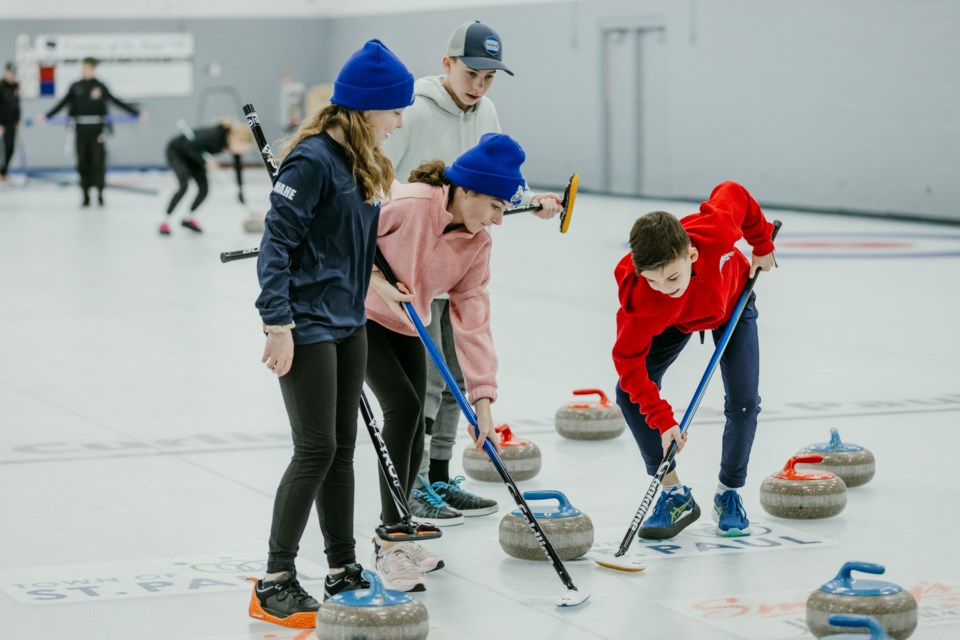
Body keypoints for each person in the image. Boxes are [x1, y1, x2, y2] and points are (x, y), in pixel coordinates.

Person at [250, 39, 413, 628]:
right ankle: (274, 579)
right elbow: (276, 248)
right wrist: (277, 324)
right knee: (315, 448)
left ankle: (342, 568)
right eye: (395, 112)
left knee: (342, 448)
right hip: (306, 323)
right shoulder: (312, 160)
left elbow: (352, 240)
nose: (399, 123)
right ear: (369, 108)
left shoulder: (362, 162)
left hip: (349, 320)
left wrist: (378, 276)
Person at [381, 20, 563, 521]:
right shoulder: (411, 111)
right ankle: (412, 481)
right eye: (472, 72)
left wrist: (532, 200)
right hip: (408, 265)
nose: (479, 85)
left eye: (489, 77)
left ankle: (439, 479)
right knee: (426, 383)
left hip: (456, 262)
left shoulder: (487, 112)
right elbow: (378, 181)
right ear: (447, 64)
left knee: (456, 377)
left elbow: (503, 178)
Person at [365, 132, 525, 591]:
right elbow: (346, 241)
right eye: (496, 206)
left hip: (403, 322)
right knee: (403, 408)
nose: (499, 219)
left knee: (417, 417)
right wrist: (376, 281)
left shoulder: (477, 243)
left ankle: (401, 526)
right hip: (354, 313)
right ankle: (390, 538)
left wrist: (484, 405)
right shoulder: (412, 204)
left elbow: (472, 319)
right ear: (468, 189)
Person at [612, 181, 777, 540]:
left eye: (671, 276)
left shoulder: (715, 231)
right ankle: (673, 492)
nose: (664, 286)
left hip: (733, 301)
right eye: (653, 280)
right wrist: (663, 419)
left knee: (744, 402)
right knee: (627, 394)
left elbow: (734, 192)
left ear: (691, 254)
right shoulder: (643, 300)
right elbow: (629, 365)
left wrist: (761, 243)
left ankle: (728, 493)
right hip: (677, 319)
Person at [35, 56, 143, 207]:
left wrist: (135, 113)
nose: (87, 70)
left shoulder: (100, 86)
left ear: (94, 69)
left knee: (98, 163)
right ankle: (85, 194)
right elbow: (63, 103)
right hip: (81, 131)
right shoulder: (76, 86)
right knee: (82, 163)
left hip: (97, 131)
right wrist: (46, 116)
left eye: (90, 67)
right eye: (85, 67)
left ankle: (99, 193)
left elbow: (115, 100)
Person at [159, 119, 254, 235]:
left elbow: (238, 168)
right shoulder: (215, 135)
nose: (241, 152)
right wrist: (204, 162)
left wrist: (240, 189)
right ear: (236, 138)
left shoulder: (232, 145)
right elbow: (188, 146)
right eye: (241, 148)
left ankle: (187, 219)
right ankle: (165, 221)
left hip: (195, 156)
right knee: (184, 186)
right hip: (177, 152)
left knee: (204, 189)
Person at [0, 62, 20, 183]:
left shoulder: (16, 86)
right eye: (10, 73)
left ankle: (4, 171)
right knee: (3, 149)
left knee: (11, 148)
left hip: (12, 123)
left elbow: (17, 105)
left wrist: (18, 120)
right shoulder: (1, 86)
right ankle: (2, 172)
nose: (12, 75)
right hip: (2, 123)